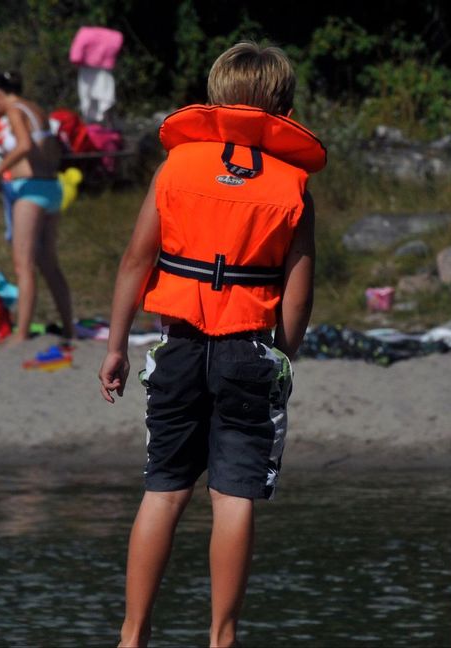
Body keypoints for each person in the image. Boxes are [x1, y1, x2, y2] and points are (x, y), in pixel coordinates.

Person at [96, 41, 325, 647]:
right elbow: (297, 295)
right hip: (248, 349)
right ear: (279, 103)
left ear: (219, 96)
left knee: (163, 489)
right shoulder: (292, 184)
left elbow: (135, 261)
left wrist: (116, 345)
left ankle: (132, 634)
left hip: (177, 344)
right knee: (234, 497)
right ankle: (222, 638)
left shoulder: (178, 167)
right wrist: (282, 353)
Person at [0, 70, 73, 342]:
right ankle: (69, 328)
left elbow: (23, 145)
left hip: (30, 189)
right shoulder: (36, 109)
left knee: (24, 265)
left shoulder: (13, 111)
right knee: (49, 263)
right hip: (51, 187)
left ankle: (21, 333)